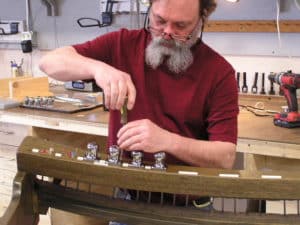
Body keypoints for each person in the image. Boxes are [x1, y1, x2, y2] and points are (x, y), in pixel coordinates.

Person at [39, 0, 238, 223]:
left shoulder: (219, 73)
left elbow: (225, 157)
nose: (167, 33)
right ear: (149, 9)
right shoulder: (122, 44)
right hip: (125, 202)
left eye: (181, 26)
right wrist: (97, 69)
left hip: (187, 211)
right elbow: (49, 62)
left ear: (202, 19)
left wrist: (168, 141)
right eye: (160, 21)